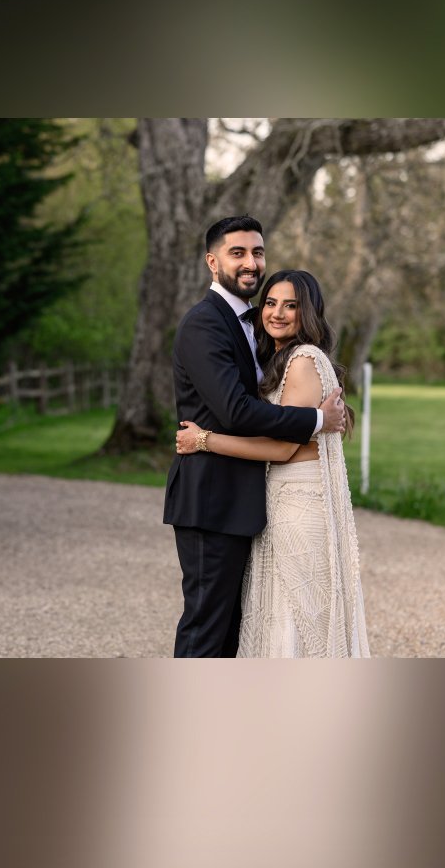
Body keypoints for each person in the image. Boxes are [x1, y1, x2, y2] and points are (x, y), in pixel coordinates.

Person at [163, 216, 346, 658]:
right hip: (212, 499)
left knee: (234, 632)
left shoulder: (256, 330)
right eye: (237, 253)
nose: (250, 262)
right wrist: (316, 420)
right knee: (207, 628)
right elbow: (235, 410)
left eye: (257, 252)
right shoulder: (205, 323)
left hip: (245, 503)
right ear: (213, 262)